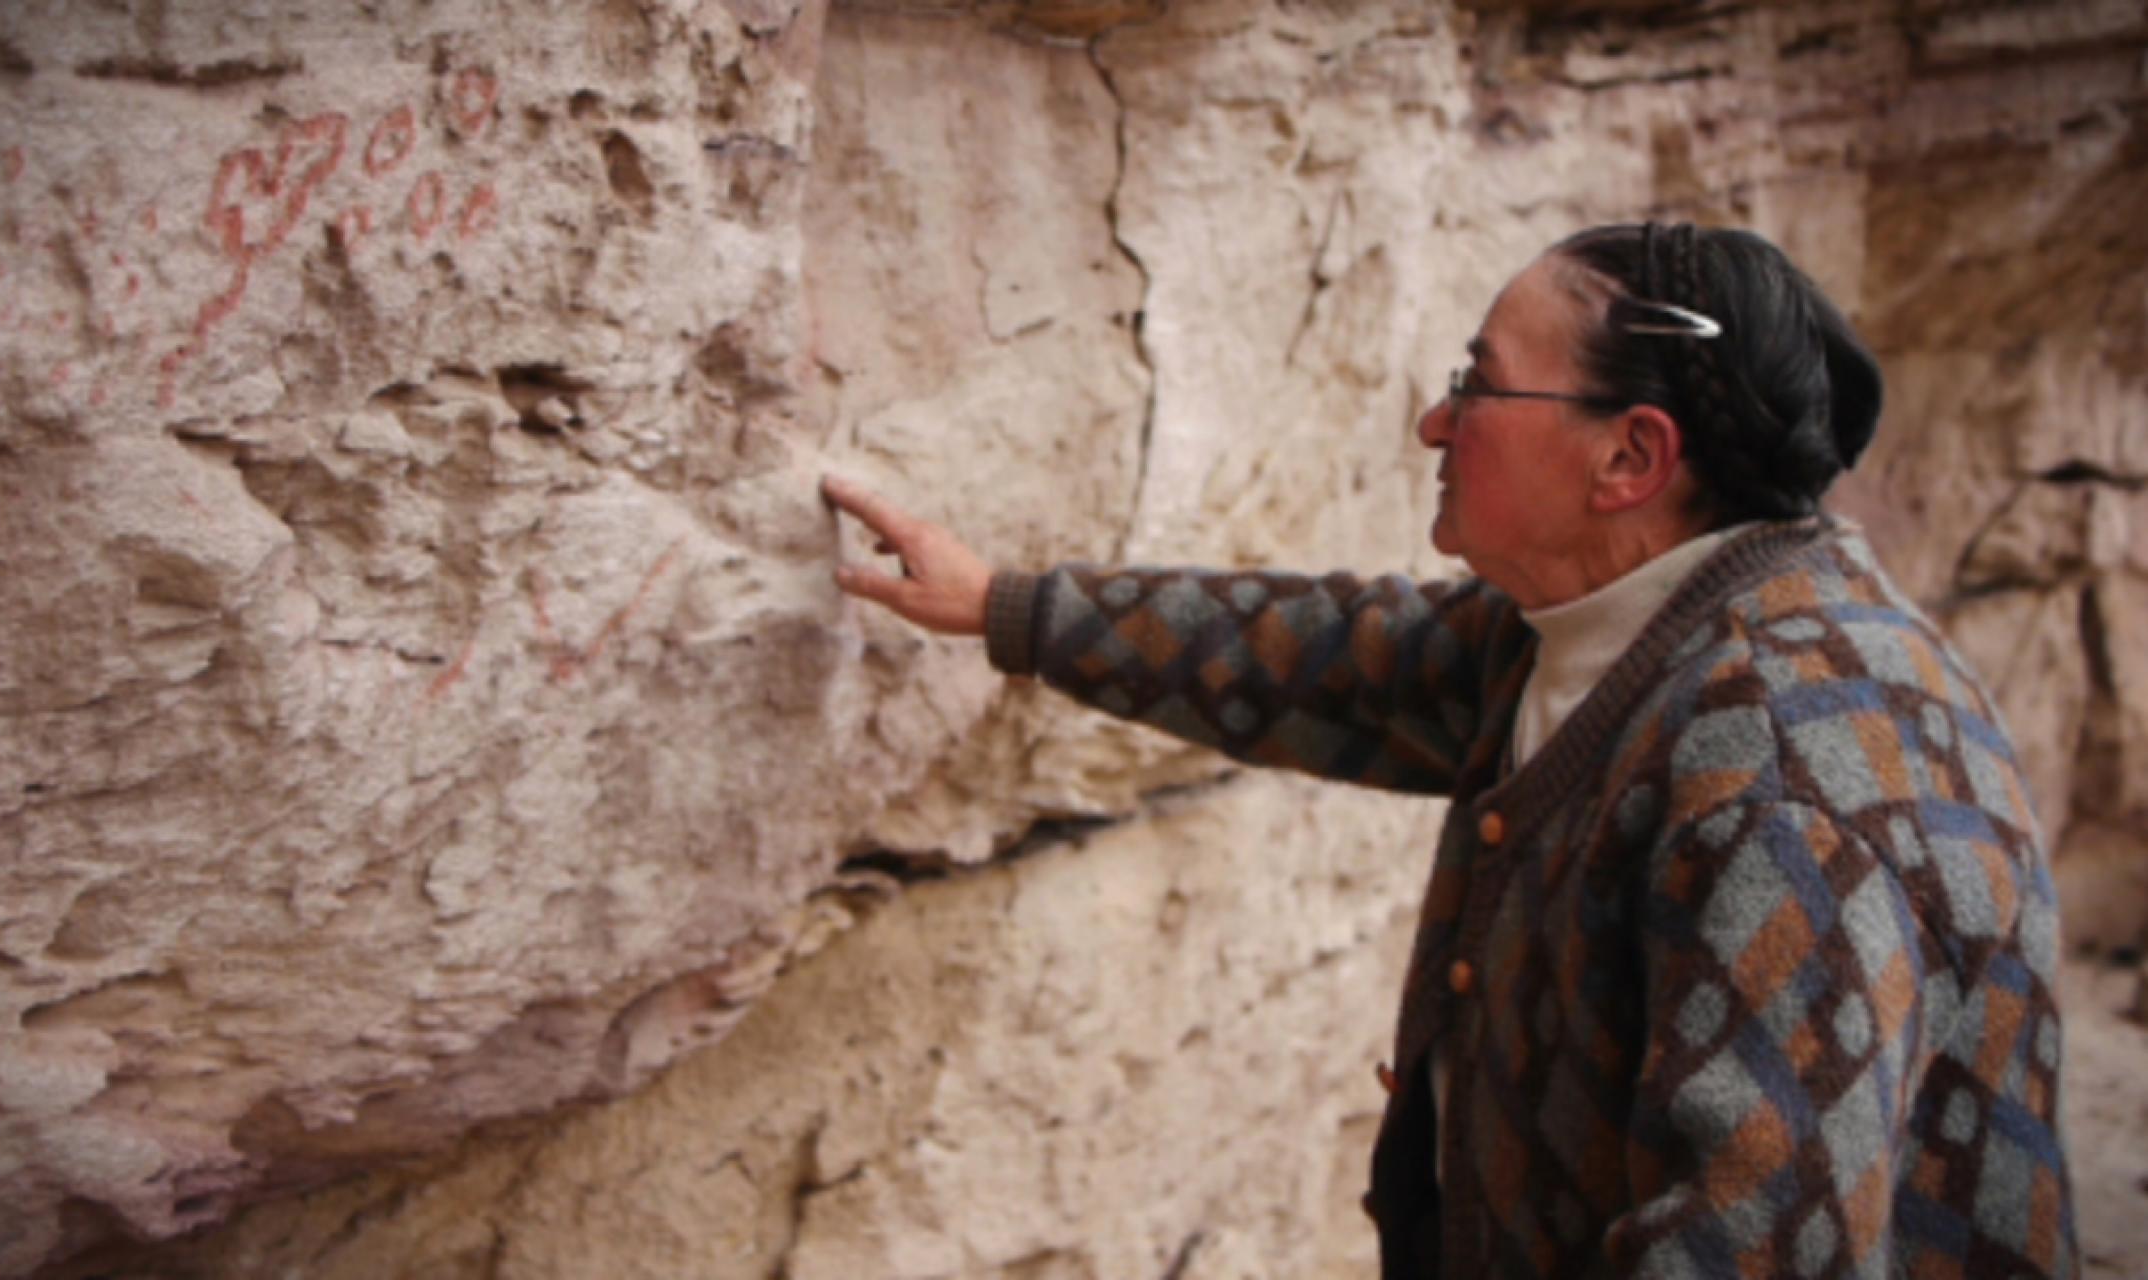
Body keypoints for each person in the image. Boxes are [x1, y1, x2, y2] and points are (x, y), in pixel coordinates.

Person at [823, 222, 2075, 1279]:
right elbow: (1340, 660)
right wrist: (1010, 606)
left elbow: (1747, 1248)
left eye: (1477, 383)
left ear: (1629, 457)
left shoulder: (1782, 782)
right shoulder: (1643, 620)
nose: (1434, 419)